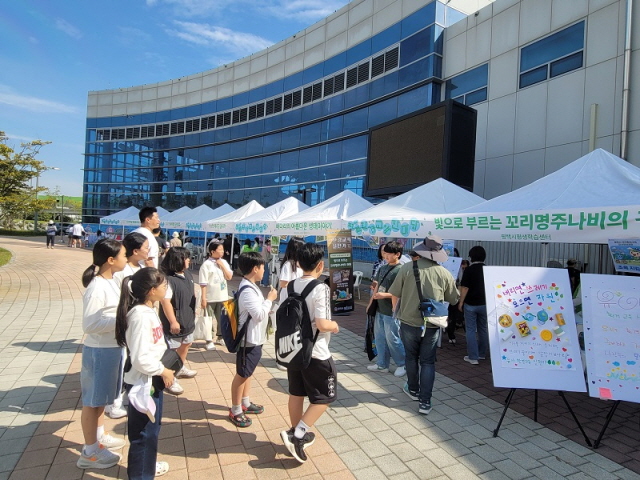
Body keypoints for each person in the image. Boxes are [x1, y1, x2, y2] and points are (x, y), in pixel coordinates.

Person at [280, 243, 339, 464]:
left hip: (294, 349)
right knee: (325, 397)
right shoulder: (321, 288)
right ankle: (298, 434)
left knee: (296, 393)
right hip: (316, 353)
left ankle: (294, 431)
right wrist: (334, 326)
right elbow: (323, 324)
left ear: (298, 263)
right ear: (320, 265)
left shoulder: (290, 285)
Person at [388, 235, 459, 415]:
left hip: (408, 321)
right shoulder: (444, 273)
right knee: (428, 362)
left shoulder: (407, 268)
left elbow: (394, 292)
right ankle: (425, 402)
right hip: (432, 324)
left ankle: (413, 389)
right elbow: (453, 299)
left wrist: (397, 309)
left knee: (411, 357)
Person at [115, 268, 173, 479]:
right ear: (151, 290)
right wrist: (163, 370)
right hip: (143, 383)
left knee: (151, 431)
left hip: (151, 380)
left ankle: (147, 467)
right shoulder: (140, 316)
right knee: (144, 433)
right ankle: (141, 474)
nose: (166, 288)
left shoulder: (147, 311)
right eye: (163, 285)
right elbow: (140, 358)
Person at [77, 238, 128, 470]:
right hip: (99, 350)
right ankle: (89, 452)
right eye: (123, 255)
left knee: (100, 401)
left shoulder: (112, 281)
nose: (125, 259)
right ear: (110, 260)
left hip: (111, 347)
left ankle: (98, 437)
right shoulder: (97, 287)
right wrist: (122, 321)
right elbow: (90, 324)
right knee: (92, 402)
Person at [228, 252, 278, 427]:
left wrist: (267, 306)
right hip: (248, 340)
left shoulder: (251, 286)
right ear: (255, 268)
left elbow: (256, 311)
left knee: (247, 372)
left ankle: (245, 402)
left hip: (255, 338)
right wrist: (269, 300)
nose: (264, 270)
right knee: (242, 374)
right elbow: (258, 314)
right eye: (263, 267)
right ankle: (236, 410)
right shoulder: (248, 290)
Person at [107, 232, 151, 419]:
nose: (149, 250)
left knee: (133, 359)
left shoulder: (141, 267)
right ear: (135, 251)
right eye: (146, 248)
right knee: (123, 360)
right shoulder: (122, 271)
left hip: (139, 320)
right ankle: (113, 402)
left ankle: (125, 394)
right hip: (127, 320)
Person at [159, 247, 197, 395]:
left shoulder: (187, 274)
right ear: (177, 260)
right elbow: (165, 302)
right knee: (171, 351)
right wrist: (173, 321)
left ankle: (179, 367)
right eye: (185, 258)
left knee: (187, 343)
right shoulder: (168, 279)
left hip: (188, 318)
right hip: (175, 321)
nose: (188, 260)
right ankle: (169, 379)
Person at [367, 241, 406, 376]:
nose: (386, 256)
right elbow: (377, 286)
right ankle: (382, 364)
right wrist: (371, 303)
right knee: (380, 338)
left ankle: (402, 364)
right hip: (380, 309)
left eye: (389, 254)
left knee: (393, 339)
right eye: (385, 253)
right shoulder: (383, 268)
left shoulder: (401, 270)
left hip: (392, 311)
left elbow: (402, 292)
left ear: (397, 254)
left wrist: (385, 295)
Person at [199, 239, 234, 350]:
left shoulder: (224, 262)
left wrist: (222, 266)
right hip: (210, 297)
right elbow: (203, 283)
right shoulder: (206, 265)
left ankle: (220, 336)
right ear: (212, 251)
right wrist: (203, 298)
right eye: (220, 250)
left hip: (222, 296)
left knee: (222, 318)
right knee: (208, 319)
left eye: (222, 250)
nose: (222, 252)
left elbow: (229, 277)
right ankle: (209, 340)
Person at [458, 246, 488, 365]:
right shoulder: (487, 269)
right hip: (484, 303)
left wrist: (461, 302)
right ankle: (482, 354)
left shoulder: (469, 270)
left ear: (471, 257)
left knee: (470, 330)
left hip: (470, 304)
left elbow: (465, 288)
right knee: (482, 329)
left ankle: (473, 357)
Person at [446, 259, 469, 344]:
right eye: (463, 267)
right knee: (452, 316)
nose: (463, 269)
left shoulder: (461, 273)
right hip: (454, 297)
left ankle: (451, 334)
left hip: (456, 297)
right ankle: (450, 334)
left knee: (454, 317)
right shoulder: (457, 273)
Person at [279, 237, 304, 305]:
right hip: (288, 299)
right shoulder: (288, 264)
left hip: (297, 298)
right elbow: (283, 284)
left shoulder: (300, 264)